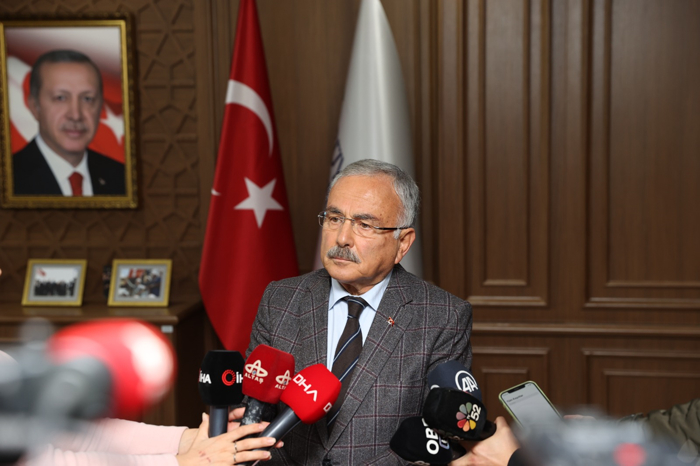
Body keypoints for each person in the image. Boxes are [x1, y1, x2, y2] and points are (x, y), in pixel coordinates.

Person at [247, 159, 473, 465]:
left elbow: (441, 437)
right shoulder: (280, 299)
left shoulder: (444, 317)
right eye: (334, 218)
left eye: (364, 225)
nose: (342, 238)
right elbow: (253, 410)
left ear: (402, 243)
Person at [12, 49, 125, 197]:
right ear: (34, 106)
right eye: (60, 98)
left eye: (87, 99)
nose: (76, 115)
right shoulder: (9, 179)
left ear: (100, 107)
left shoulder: (123, 178)